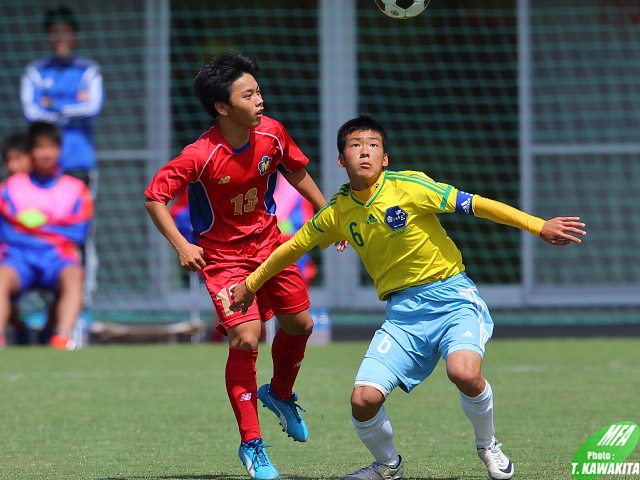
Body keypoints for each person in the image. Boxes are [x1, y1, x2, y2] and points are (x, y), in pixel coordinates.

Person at [229, 114, 587, 480]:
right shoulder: (337, 212)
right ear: (340, 160)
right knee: (363, 400)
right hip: (403, 315)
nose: (364, 151)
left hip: (453, 299)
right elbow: (291, 248)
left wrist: (538, 225)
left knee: (463, 373)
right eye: (355, 145)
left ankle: (488, 445)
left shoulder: (410, 186)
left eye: (373, 145)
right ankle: (388, 467)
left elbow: (478, 204)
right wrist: (251, 284)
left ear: (385, 158)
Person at [144, 52, 343, 480]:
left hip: (271, 247)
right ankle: (252, 443)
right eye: (248, 95)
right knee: (246, 338)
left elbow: (296, 170)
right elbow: (154, 198)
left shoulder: (272, 133)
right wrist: (181, 244)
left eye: (258, 92)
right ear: (222, 106)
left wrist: (328, 214)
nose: (260, 101)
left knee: (301, 325)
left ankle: (280, 394)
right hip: (223, 258)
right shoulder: (200, 154)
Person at [20, 5, 103, 310]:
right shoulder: (35, 71)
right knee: (39, 230)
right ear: (48, 37)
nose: (60, 39)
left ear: (75, 36)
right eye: (55, 33)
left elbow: (93, 107)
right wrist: (71, 105)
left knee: (81, 235)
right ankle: (41, 304)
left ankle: (82, 303)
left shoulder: (88, 70)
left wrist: (53, 105)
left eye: (65, 33)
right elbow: (31, 111)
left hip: (80, 167)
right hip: (42, 173)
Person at [0, 122, 94, 350]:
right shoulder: (10, 187)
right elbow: (8, 232)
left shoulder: (76, 189)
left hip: (58, 257)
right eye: (40, 147)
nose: (46, 153)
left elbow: (78, 232)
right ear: (30, 151)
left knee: (73, 276)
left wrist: (33, 227)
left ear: (60, 150)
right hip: (18, 257)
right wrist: (55, 227)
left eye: (51, 146)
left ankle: (60, 337)